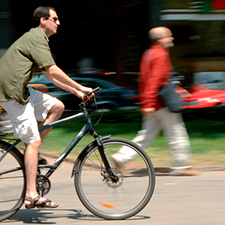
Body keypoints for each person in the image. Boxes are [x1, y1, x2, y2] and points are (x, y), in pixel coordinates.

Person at [0, 6, 93, 208]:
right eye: (55, 19)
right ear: (43, 20)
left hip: (20, 88)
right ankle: (31, 195)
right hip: (11, 92)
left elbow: (50, 76)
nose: (58, 22)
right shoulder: (36, 38)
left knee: (57, 106)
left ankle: (32, 151)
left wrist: (76, 93)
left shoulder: (38, 38)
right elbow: (52, 69)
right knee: (32, 142)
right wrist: (81, 86)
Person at [112, 27, 199, 176]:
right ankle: (182, 166)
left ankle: (121, 158)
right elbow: (154, 81)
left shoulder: (149, 54)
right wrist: (149, 103)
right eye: (169, 36)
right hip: (161, 104)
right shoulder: (160, 55)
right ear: (160, 39)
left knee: (146, 135)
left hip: (154, 104)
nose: (172, 38)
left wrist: (148, 102)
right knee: (177, 132)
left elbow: (149, 80)